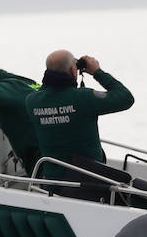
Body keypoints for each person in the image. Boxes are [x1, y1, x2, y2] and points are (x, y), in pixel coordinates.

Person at [25, 49, 134, 181]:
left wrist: (57, 71)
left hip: (51, 182)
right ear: (72, 71)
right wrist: (97, 72)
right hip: (88, 183)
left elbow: (46, 90)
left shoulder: (32, 101)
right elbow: (126, 98)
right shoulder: (83, 98)